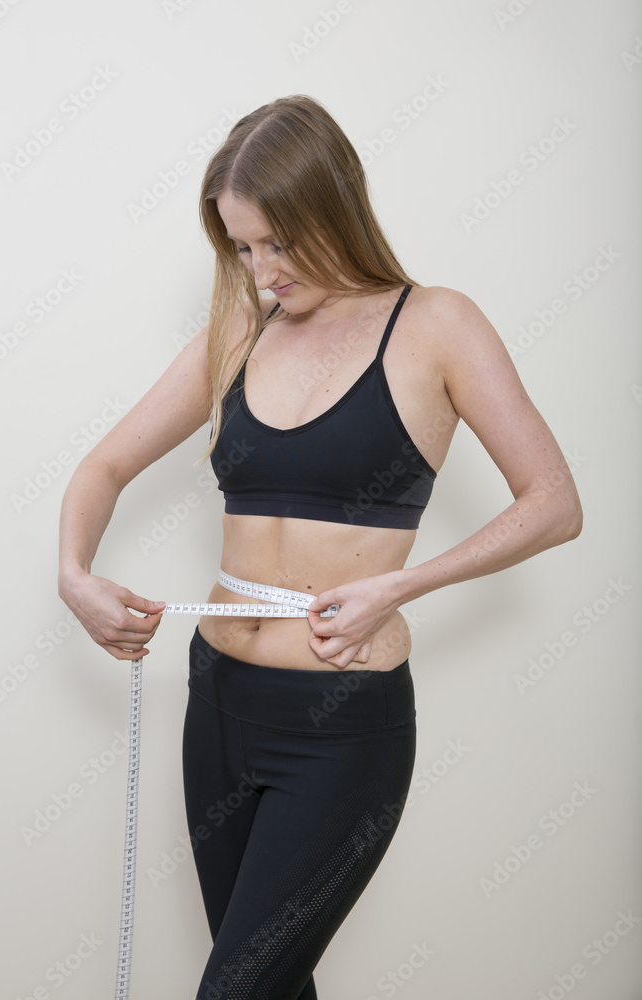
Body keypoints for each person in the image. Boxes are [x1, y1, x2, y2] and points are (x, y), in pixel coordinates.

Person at [58, 94, 582, 999]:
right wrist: (74, 577)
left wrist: (400, 587)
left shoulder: (436, 325)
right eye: (241, 247)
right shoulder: (238, 335)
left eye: (276, 242)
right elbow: (103, 466)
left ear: (331, 206)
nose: (260, 270)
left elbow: (553, 503)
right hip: (217, 705)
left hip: (340, 728)